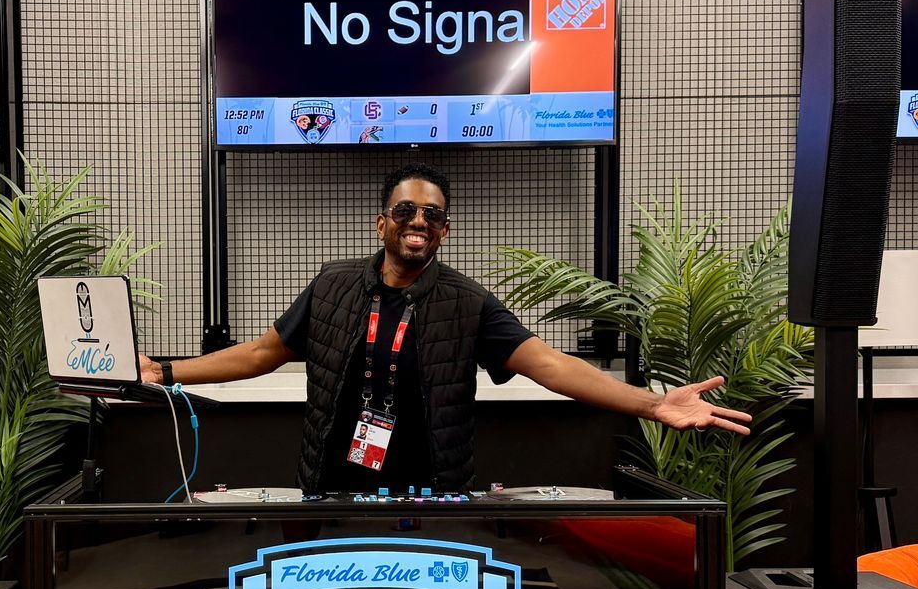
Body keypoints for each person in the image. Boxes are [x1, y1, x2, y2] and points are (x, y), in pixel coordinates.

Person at [139, 163, 751, 494]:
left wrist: (652, 404)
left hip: (432, 496)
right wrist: (165, 371)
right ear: (382, 223)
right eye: (406, 209)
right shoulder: (332, 285)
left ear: (444, 232)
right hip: (331, 488)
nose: (419, 220)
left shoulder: (467, 303)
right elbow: (261, 353)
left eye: (433, 214)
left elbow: (552, 366)